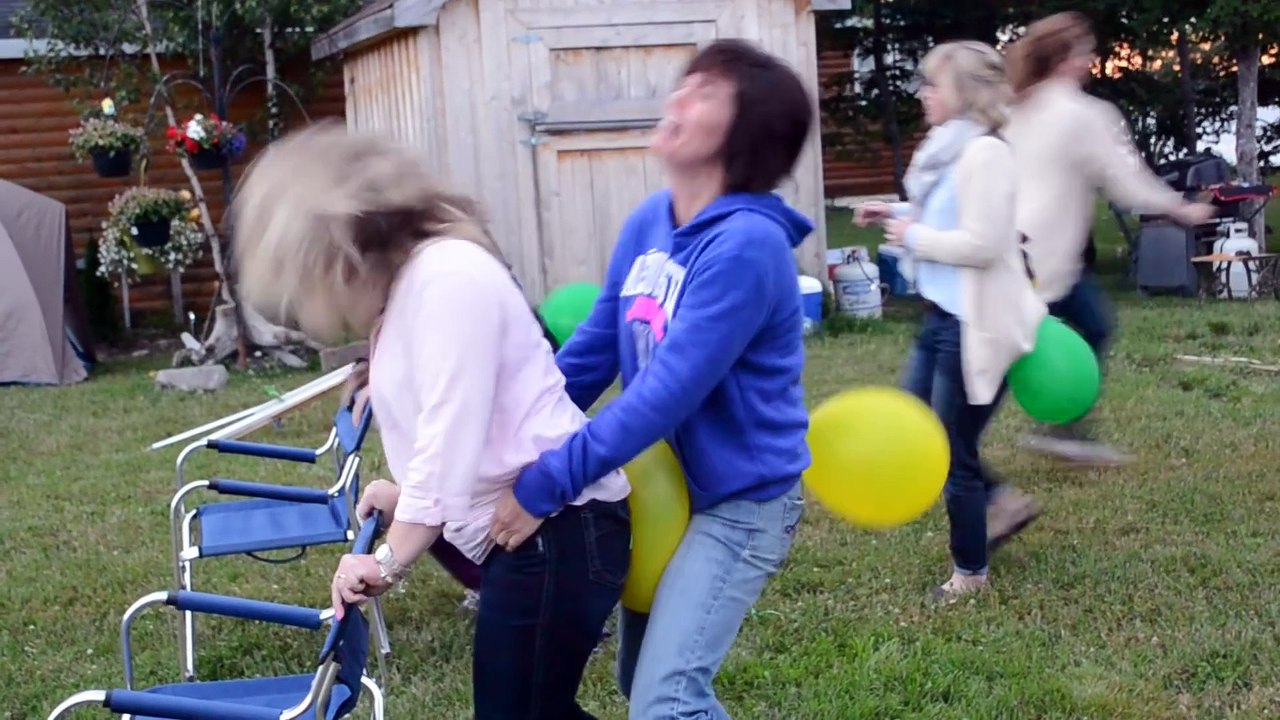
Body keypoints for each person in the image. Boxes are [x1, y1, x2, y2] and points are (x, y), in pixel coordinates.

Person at [229, 121, 632, 720]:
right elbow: (457, 441)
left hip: (562, 533)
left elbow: (451, 435)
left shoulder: (448, 279)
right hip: (529, 532)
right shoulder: (409, 291)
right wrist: (404, 495)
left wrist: (388, 559)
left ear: (336, 253)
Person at [488, 39, 810, 719]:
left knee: (665, 700)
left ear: (745, 134)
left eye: (705, 94)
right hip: (671, 490)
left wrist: (547, 483)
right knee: (648, 687)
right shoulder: (651, 222)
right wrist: (510, 438)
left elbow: (664, 395)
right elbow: (591, 353)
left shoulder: (748, 246)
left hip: (741, 503)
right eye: (683, 84)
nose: (677, 99)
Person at [855, 41, 1046, 602]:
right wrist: (894, 213)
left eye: (933, 84)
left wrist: (913, 238)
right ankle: (1002, 504)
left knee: (949, 450)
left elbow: (985, 243)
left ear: (962, 92)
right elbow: (949, 215)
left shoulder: (985, 153)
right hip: (942, 318)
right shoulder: (949, 149)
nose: (923, 94)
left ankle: (970, 574)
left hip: (972, 325)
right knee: (921, 424)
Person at [1004, 11, 1216, 465]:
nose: (1093, 59)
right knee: (1079, 330)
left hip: (1009, 248)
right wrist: (1182, 209)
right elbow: (1127, 183)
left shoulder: (1016, 106)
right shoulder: (1085, 114)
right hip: (1045, 255)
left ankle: (1063, 426)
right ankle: (1062, 427)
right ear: (1064, 57)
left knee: (1071, 326)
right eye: (1085, 51)